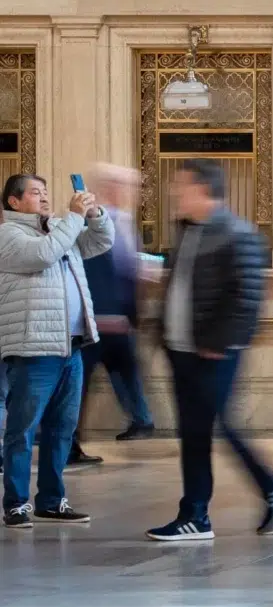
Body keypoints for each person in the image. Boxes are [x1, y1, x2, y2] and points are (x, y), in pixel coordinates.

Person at [151, 159, 273, 542]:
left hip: (214, 351)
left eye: (181, 186)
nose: (174, 193)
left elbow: (247, 295)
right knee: (194, 433)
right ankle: (195, 516)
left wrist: (218, 341)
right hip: (182, 349)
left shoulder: (236, 233)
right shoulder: (187, 231)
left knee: (219, 426)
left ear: (202, 189)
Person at [0, 173, 112, 528]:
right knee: (23, 429)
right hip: (35, 348)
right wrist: (75, 218)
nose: (45, 198)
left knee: (62, 428)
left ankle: (51, 499)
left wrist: (94, 214)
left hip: (71, 346)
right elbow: (44, 256)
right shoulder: (9, 235)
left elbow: (102, 242)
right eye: (35, 193)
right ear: (14, 202)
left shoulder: (62, 228)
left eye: (46, 192)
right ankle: (16, 503)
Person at [71, 165, 151, 460]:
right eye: (120, 185)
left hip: (115, 320)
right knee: (79, 383)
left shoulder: (126, 222)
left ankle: (141, 419)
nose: (128, 192)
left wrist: (130, 316)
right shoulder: (93, 222)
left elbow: (128, 272)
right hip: (96, 320)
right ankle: (69, 440)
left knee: (121, 372)